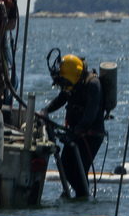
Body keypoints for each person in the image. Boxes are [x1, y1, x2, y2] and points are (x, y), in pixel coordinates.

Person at [42, 54, 105, 199]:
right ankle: (80, 195)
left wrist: (74, 133)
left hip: (91, 135)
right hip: (75, 133)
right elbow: (60, 99)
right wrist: (44, 111)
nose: (64, 88)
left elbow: (91, 115)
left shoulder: (93, 84)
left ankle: (82, 198)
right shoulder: (71, 83)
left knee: (80, 169)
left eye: (65, 84)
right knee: (65, 165)